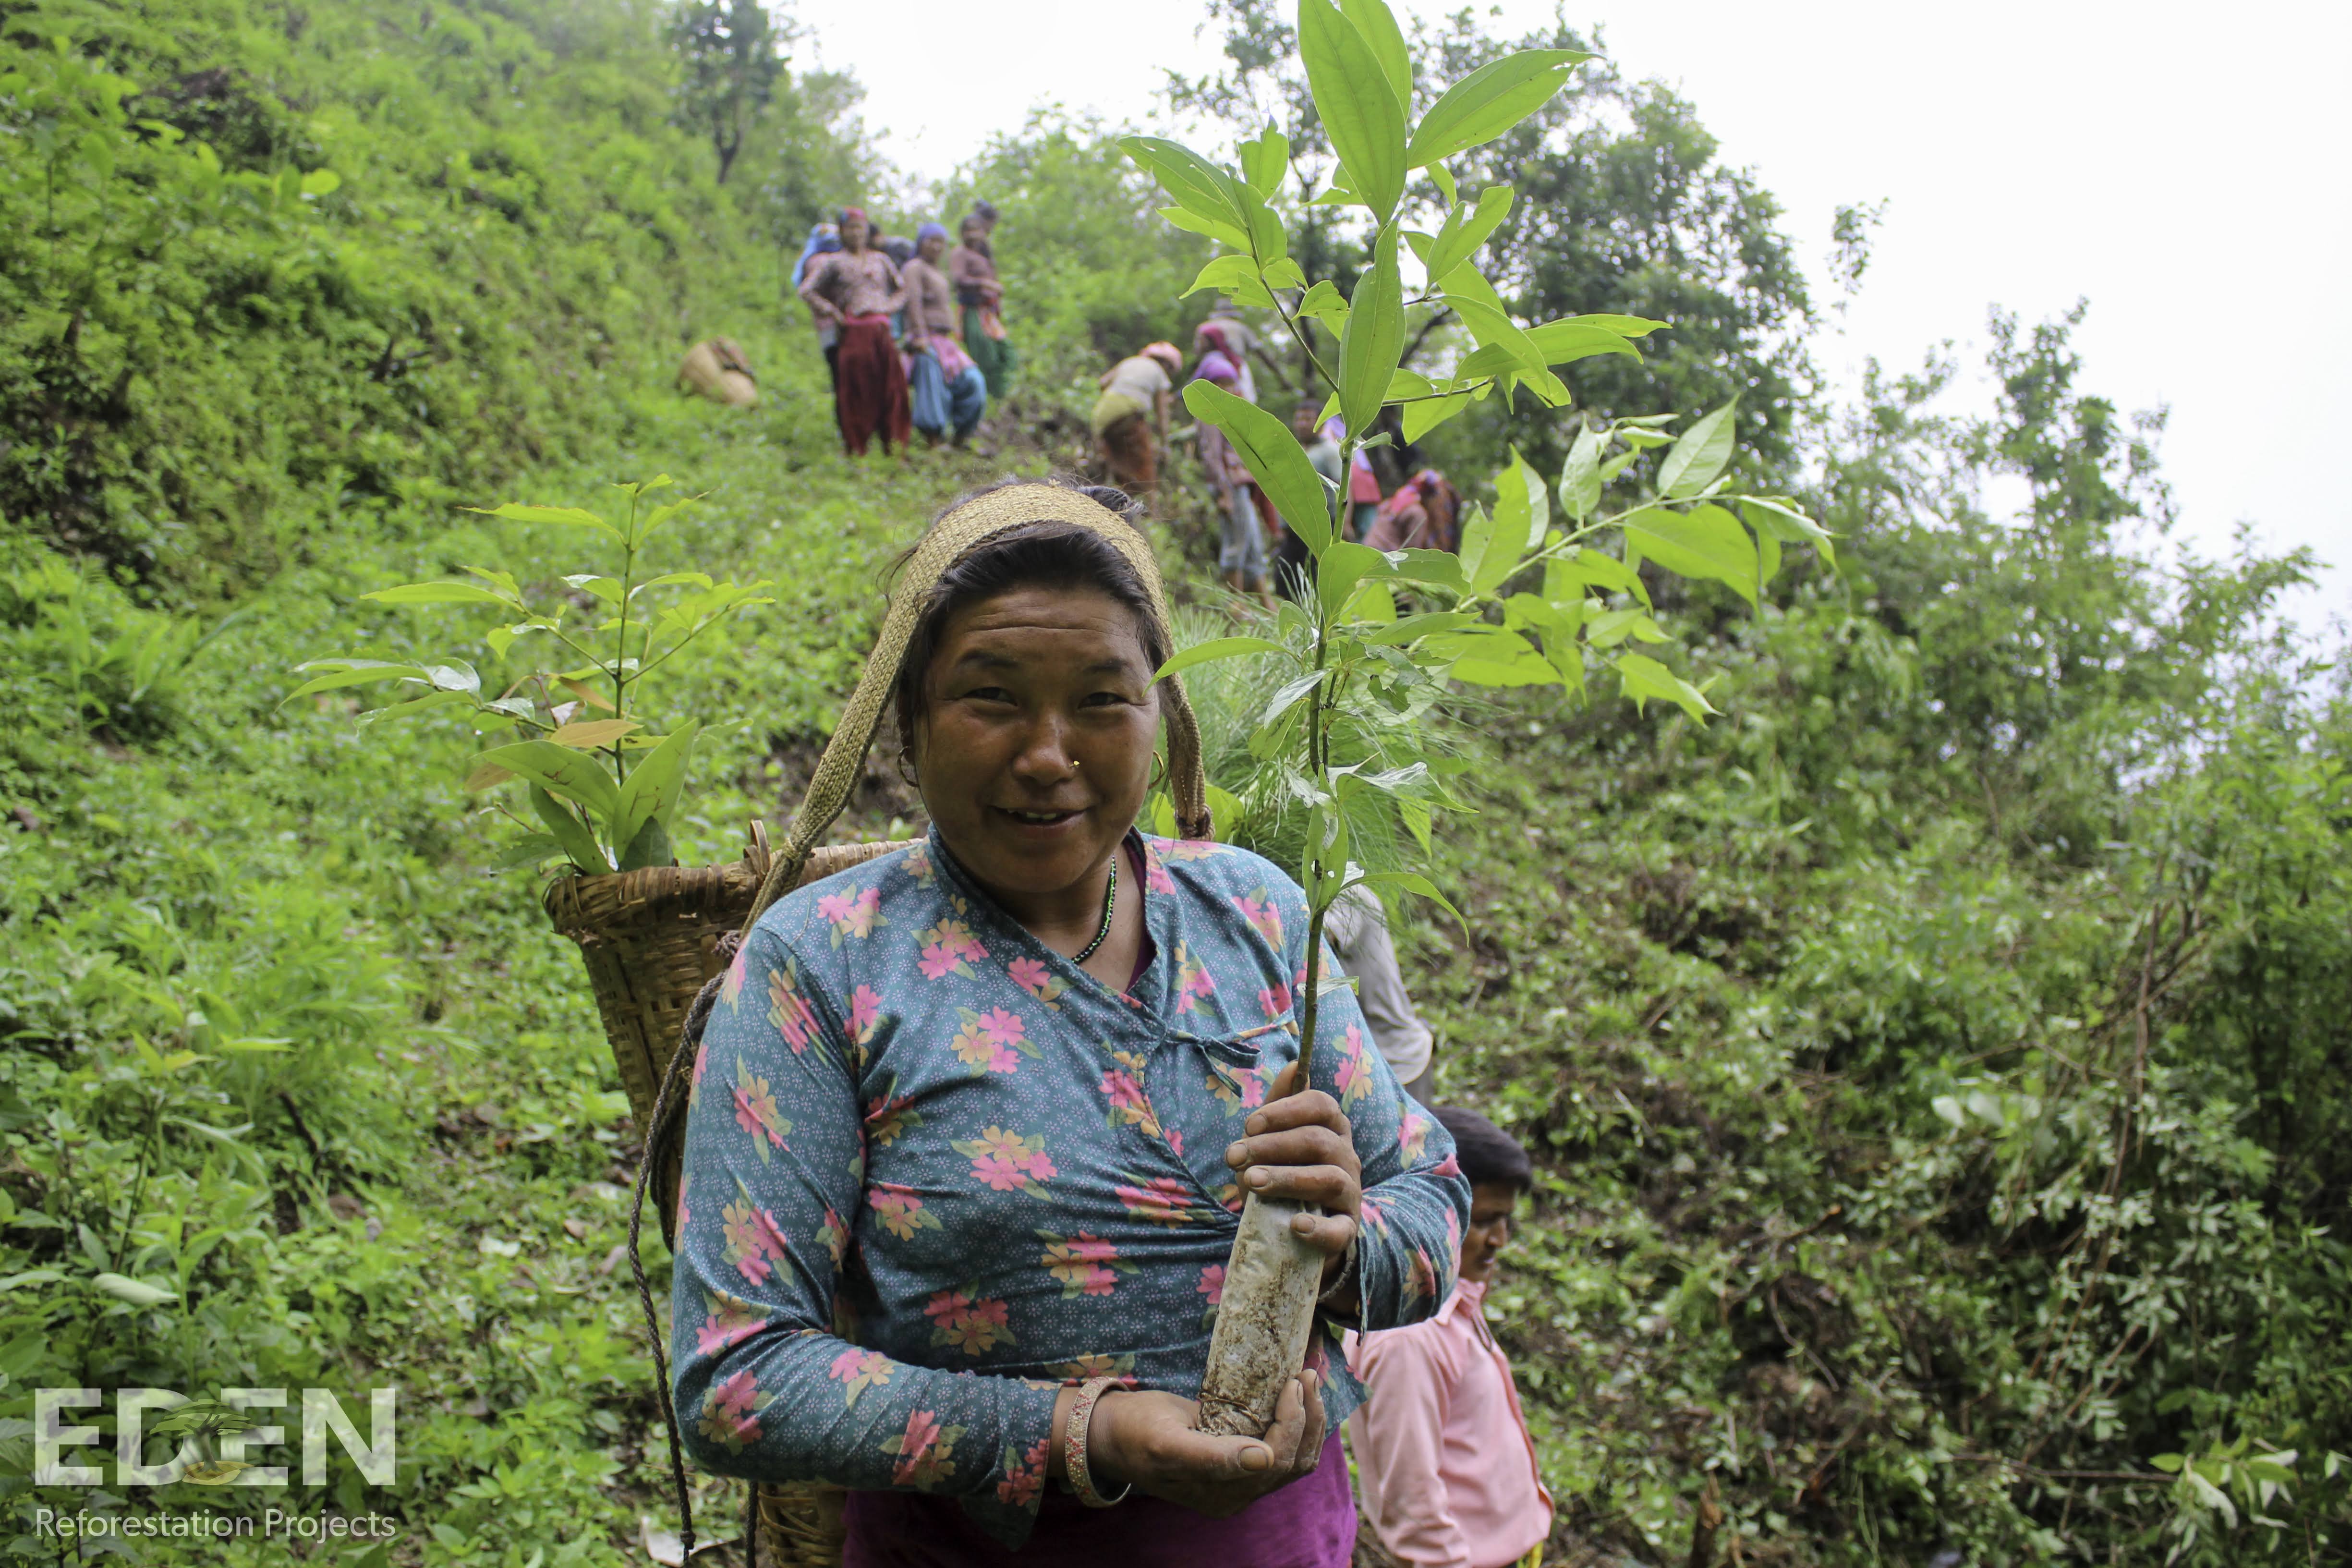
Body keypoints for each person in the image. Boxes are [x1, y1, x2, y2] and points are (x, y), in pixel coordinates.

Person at [669, 479, 1470, 1566]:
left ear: (1160, 712)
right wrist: (1080, 1433)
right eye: (991, 698)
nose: (1049, 753)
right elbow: (733, 1377)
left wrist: (1343, 1245)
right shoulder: (823, 963)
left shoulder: (1256, 913)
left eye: (1101, 699)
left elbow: (1427, 1200)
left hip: (1277, 1536)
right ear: (907, 721)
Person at [1348, 1107, 1552, 1568]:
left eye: (1506, 1221)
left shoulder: (1455, 1304)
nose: (1499, 1239)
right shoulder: (1409, 1338)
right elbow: (1412, 1499)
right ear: (1431, 1210)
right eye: (1483, 1221)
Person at [800, 207, 912, 457]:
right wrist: (833, 313)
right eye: (850, 228)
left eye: (859, 227)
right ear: (841, 232)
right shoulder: (834, 262)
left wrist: (888, 308)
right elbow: (807, 290)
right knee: (857, 390)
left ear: (866, 231)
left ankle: (893, 445)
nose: (855, 233)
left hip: (882, 331)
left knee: (892, 388)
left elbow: (902, 290)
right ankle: (857, 447)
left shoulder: (881, 260)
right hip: (854, 332)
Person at [1322, 888, 1435, 1105]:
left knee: (1412, 1138)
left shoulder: (1348, 889)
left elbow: (1319, 936)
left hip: (1398, 1056)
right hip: (1364, 1060)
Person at [1192, 352, 1273, 606]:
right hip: (1228, 486)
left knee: (1252, 543)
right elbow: (1212, 457)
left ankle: (1264, 604)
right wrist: (1224, 493)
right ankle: (1236, 607)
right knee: (1236, 543)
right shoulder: (1209, 414)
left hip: (1239, 485)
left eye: (1230, 382)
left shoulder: (1230, 411)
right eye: (1221, 383)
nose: (1228, 388)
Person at [903, 222, 987, 445]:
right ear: (922, 242)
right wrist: (920, 336)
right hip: (924, 339)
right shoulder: (914, 268)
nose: (937, 247)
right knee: (932, 384)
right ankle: (933, 439)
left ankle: (961, 437)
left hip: (946, 342)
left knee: (973, 382)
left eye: (941, 242)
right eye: (932, 241)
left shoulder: (940, 273)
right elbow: (913, 303)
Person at [1092, 343, 1182, 510]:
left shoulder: (1130, 361)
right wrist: (1164, 443)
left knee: (1117, 460)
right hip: (1128, 414)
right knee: (1145, 470)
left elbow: (1103, 382)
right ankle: (1151, 513)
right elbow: (1162, 413)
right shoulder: (1159, 372)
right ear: (1167, 365)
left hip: (1103, 414)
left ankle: (1109, 503)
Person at [952, 209, 1018, 398]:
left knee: (1007, 352)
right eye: (968, 231)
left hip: (988, 312)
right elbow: (958, 279)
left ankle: (1001, 393)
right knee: (985, 355)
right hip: (972, 311)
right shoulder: (960, 253)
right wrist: (985, 284)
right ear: (962, 234)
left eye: (976, 230)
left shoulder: (983, 254)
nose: (973, 235)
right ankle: (990, 397)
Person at [792, 222, 845, 402]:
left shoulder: (808, 261)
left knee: (839, 378)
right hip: (839, 327)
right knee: (845, 378)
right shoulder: (824, 261)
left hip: (826, 330)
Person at [1362, 468, 1461, 555]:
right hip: (1384, 555)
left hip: (1368, 549)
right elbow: (1412, 551)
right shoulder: (1418, 514)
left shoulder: (1395, 502)